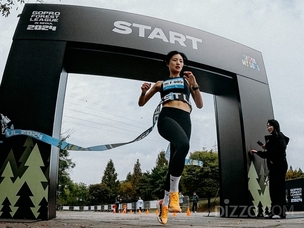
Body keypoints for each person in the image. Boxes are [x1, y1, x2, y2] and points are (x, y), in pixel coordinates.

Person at [138, 51, 203, 225]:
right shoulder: (160, 83)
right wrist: (143, 92)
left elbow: (199, 104)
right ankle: (175, 194)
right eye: (175, 60)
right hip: (167, 117)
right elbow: (142, 102)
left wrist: (195, 85)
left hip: (185, 119)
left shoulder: (187, 82)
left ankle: (164, 206)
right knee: (183, 145)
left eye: (181, 61)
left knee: (174, 161)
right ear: (167, 63)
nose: (178, 63)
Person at [250, 119, 289, 219]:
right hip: (276, 166)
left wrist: (266, 148)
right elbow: (270, 153)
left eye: (270, 126)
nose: (268, 128)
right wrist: (263, 149)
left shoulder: (279, 136)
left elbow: (280, 149)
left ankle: (279, 212)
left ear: (275, 126)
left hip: (279, 166)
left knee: (277, 189)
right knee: (275, 189)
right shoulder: (274, 139)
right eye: (267, 126)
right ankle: (278, 212)